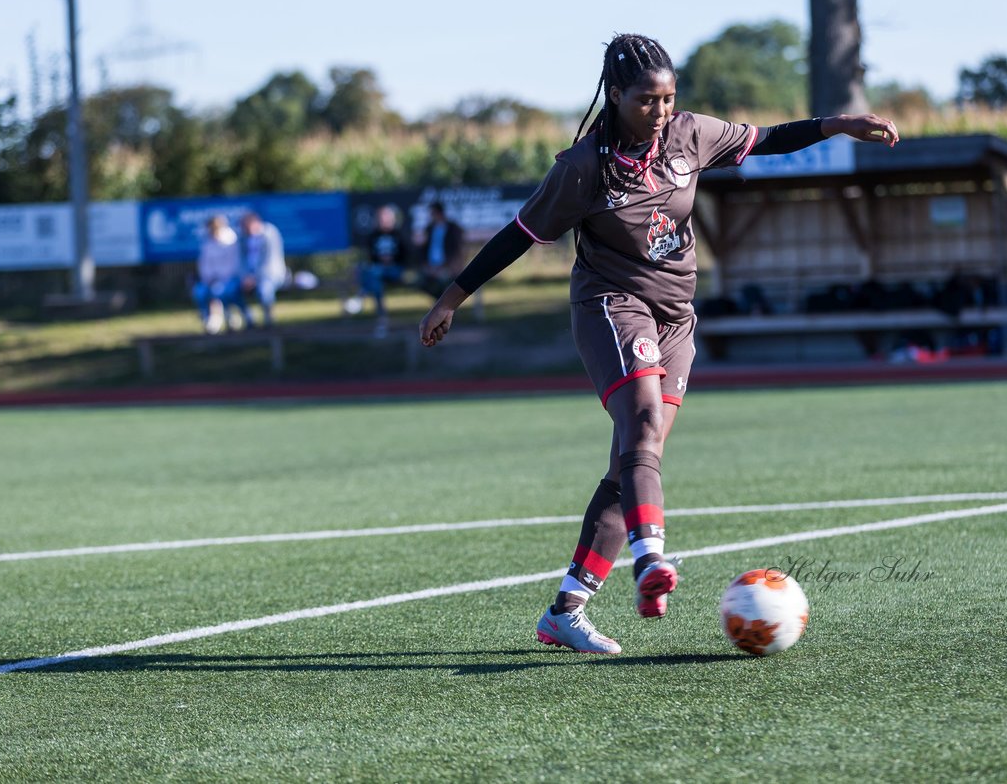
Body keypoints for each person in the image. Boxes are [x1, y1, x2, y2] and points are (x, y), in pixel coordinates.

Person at [419, 33, 899, 654]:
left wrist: (839, 124)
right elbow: (520, 234)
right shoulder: (582, 167)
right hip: (610, 305)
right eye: (648, 100)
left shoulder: (691, 135)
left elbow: (767, 140)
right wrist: (451, 297)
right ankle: (651, 564)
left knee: (634, 460)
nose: (662, 111)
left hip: (677, 319)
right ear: (615, 96)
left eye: (670, 99)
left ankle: (566, 610)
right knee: (642, 425)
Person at [349, 205, 410, 336]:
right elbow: (371, 257)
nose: (384, 221)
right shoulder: (373, 236)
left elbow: (406, 256)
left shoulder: (399, 235)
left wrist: (391, 260)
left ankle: (361, 296)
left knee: (372, 273)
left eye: (386, 218)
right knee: (374, 281)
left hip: (395, 270)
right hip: (378, 271)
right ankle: (382, 323)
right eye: (381, 218)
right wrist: (381, 260)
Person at [193, 215, 250, 334]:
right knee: (199, 292)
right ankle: (208, 319)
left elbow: (235, 263)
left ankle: (236, 317)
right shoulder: (207, 243)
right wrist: (210, 278)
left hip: (230, 278)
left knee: (220, 291)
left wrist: (220, 278)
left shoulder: (231, 241)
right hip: (211, 279)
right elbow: (205, 264)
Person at [240, 210, 288, 327]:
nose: (245, 230)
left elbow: (269, 261)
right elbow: (241, 261)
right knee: (230, 291)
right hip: (249, 278)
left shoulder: (269, 234)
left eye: (246, 226)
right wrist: (245, 277)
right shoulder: (243, 239)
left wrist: (254, 278)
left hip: (271, 275)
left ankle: (269, 322)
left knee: (264, 290)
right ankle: (249, 319)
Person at [418, 202, 465, 298]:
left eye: (432, 213)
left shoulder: (453, 228)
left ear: (439, 213)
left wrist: (444, 267)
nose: (431, 216)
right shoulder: (429, 229)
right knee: (420, 281)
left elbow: (457, 251)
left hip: (448, 267)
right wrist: (427, 266)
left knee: (444, 281)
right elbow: (423, 250)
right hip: (431, 267)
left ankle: (444, 307)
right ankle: (442, 305)